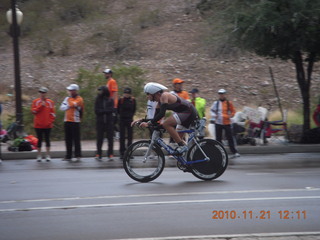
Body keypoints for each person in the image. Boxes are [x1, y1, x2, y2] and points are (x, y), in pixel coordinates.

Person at [135, 82, 198, 155]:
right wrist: (142, 120)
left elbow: (161, 114)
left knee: (166, 124)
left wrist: (149, 123)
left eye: (148, 94)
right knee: (177, 138)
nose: (147, 96)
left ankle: (182, 147)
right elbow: (156, 118)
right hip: (184, 114)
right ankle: (189, 160)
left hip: (188, 112)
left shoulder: (164, 96)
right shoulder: (159, 103)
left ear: (153, 92)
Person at [210, 89, 240, 159]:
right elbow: (212, 110)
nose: (221, 95)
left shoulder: (229, 103)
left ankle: (234, 152)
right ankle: (218, 152)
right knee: (218, 139)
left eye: (223, 94)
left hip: (227, 122)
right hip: (218, 123)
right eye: (220, 94)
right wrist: (214, 115)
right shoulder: (216, 103)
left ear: (225, 94)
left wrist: (231, 115)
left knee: (230, 138)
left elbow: (233, 111)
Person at [60, 84, 84, 162]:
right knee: (68, 139)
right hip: (67, 120)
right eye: (69, 90)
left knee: (76, 139)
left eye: (71, 90)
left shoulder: (79, 99)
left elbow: (72, 104)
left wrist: (68, 104)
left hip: (75, 121)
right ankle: (68, 155)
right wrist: (69, 105)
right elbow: (61, 108)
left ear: (75, 91)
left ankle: (78, 155)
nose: (70, 92)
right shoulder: (67, 98)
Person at [31, 87, 56, 162]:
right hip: (38, 125)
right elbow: (33, 111)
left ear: (46, 93)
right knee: (39, 139)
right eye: (41, 92)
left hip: (48, 125)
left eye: (44, 92)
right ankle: (39, 155)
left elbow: (53, 114)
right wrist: (41, 106)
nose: (42, 94)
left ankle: (48, 155)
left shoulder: (50, 102)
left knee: (47, 139)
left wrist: (50, 122)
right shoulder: (36, 101)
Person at [94, 86, 115, 161]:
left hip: (109, 122)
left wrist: (103, 111)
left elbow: (111, 110)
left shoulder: (110, 100)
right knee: (99, 139)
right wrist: (105, 111)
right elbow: (96, 111)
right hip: (100, 122)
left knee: (110, 139)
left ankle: (110, 154)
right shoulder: (98, 99)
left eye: (101, 91)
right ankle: (98, 153)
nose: (100, 92)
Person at [118, 87, 136, 159]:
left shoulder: (133, 100)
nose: (126, 95)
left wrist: (130, 116)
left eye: (128, 93)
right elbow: (118, 110)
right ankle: (122, 153)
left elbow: (134, 109)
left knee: (130, 137)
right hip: (122, 120)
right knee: (122, 137)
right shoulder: (121, 100)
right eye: (125, 93)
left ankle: (129, 152)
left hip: (130, 120)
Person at [103, 68, 119, 140]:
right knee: (109, 120)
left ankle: (117, 134)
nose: (105, 75)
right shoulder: (109, 82)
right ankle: (112, 135)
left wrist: (113, 104)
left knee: (112, 120)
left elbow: (114, 93)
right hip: (109, 104)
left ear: (110, 74)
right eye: (105, 73)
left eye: (107, 73)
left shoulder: (112, 81)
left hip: (112, 105)